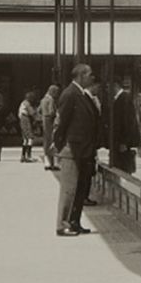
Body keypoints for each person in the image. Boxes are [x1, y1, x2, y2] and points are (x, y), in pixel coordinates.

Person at [53, 63, 102, 236]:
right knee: (69, 189)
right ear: (81, 76)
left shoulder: (82, 95)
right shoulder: (70, 94)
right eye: (90, 74)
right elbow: (60, 124)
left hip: (84, 151)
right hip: (72, 151)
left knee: (80, 189)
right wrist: (62, 147)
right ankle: (62, 224)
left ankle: (74, 222)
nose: (92, 77)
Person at [108, 74, 139, 174]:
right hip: (119, 141)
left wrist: (124, 142)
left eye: (109, 86)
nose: (107, 89)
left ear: (115, 85)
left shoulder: (124, 98)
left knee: (123, 168)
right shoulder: (118, 99)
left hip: (123, 143)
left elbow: (128, 121)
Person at [39, 84, 60, 172]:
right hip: (50, 121)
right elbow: (51, 111)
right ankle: (54, 162)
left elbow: (39, 110)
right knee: (53, 140)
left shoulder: (43, 100)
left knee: (46, 141)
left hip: (44, 120)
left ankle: (47, 161)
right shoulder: (51, 100)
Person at [18, 91, 39, 163]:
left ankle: (23, 156)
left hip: (22, 120)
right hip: (25, 120)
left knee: (25, 139)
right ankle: (28, 156)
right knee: (30, 138)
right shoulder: (27, 104)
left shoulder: (23, 103)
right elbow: (32, 112)